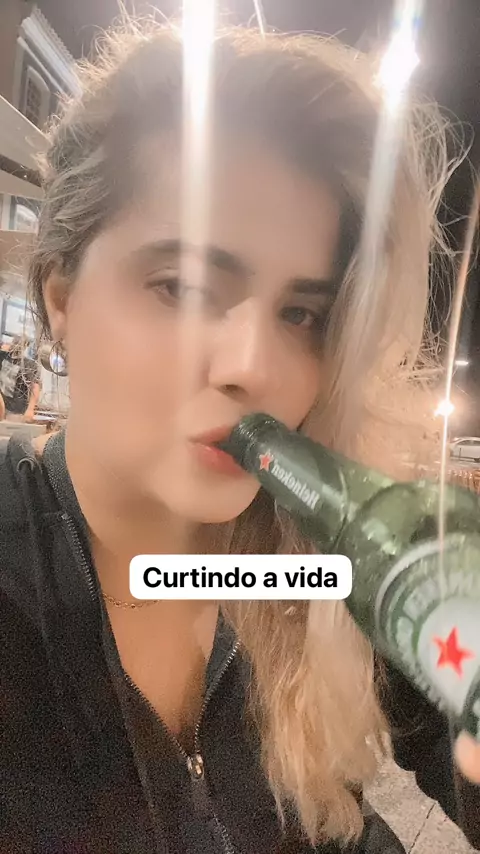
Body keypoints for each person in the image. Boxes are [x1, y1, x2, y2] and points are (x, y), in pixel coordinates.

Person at [0, 20, 479, 854]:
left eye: (303, 313)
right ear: (62, 296)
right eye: (181, 286)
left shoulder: (318, 567)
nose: (256, 367)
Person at [0, 334, 41, 421]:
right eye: (15, 342)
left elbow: (35, 387)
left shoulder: (29, 364)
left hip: (16, 411)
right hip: (1, 406)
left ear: (25, 346)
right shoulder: (3, 357)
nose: (17, 345)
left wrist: (30, 409)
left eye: (21, 343)